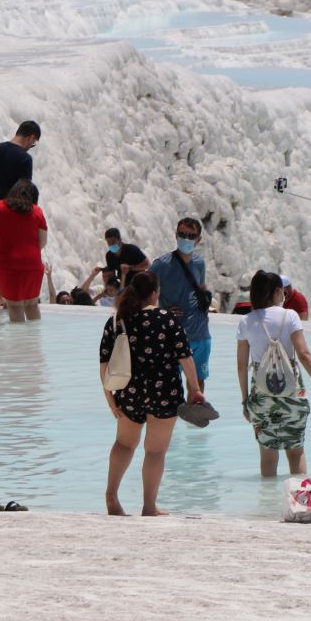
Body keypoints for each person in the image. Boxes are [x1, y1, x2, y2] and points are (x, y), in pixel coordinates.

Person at [100, 272, 203, 516]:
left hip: (129, 391)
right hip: (164, 392)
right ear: (155, 293)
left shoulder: (118, 320)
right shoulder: (167, 319)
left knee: (124, 444)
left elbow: (105, 363)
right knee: (155, 451)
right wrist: (195, 389)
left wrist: (109, 397)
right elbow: (185, 357)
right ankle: (148, 506)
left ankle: (111, 496)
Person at [236, 271, 311, 477]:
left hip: (261, 394)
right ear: (278, 292)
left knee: (268, 456)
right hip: (292, 392)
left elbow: (242, 366)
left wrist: (245, 401)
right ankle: (300, 500)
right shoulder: (290, 316)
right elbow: (303, 354)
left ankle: (267, 507)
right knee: (296, 452)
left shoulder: (246, 321)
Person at [149, 217, 212, 392]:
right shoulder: (161, 265)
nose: (186, 239)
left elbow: (201, 287)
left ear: (198, 239)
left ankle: (193, 417)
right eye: (182, 234)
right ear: (176, 235)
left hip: (200, 334)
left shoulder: (199, 263)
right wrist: (163, 312)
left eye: (191, 236)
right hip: (172, 336)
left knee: (198, 384)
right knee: (171, 386)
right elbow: (144, 295)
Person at [0, 179, 48, 323]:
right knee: (32, 305)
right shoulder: (37, 211)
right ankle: (34, 342)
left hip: (8, 264)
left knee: (14, 306)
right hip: (33, 264)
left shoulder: (0, 207)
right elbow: (42, 242)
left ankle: (20, 345)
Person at [0, 120, 40, 216]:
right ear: (31, 137)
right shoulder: (25, 158)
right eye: (33, 144)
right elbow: (26, 191)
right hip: (12, 212)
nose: (31, 146)